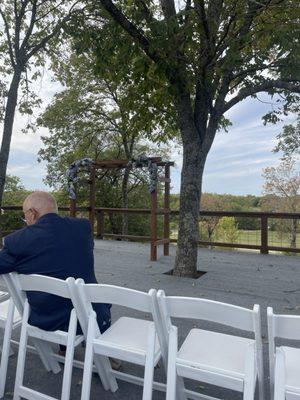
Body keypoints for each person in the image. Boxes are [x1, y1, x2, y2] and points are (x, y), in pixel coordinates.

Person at [0, 191, 111, 337]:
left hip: (49, 320)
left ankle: (64, 349)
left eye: (24, 216)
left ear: (32, 213)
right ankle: (72, 349)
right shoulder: (83, 228)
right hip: (94, 315)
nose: (25, 220)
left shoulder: (17, 241)